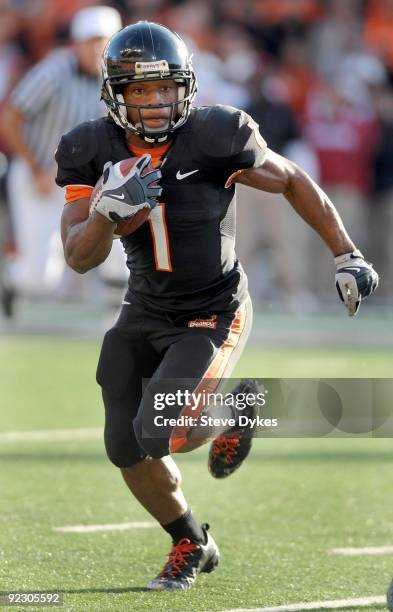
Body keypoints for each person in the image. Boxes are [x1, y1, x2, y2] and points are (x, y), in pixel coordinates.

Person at [55, 22, 379, 591]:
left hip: (213, 306)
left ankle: (238, 412)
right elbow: (78, 258)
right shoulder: (90, 148)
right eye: (139, 89)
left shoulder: (217, 134)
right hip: (145, 306)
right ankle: (190, 541)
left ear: (186, 88)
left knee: (163, 427)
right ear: (115, 92)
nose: (154, 102)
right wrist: (105, 211)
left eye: (165, 88)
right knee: (124, 446)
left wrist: (346, 254)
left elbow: (292, 179)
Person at [0, 5, 122, 298]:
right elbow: (10, 120)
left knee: (120, 255)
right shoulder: (54, 72)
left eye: (104, 41)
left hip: (82, 179)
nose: (97, 49)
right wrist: (35, 169)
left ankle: (121, 320)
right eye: (91, 41)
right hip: (38, 175)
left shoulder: (115, 78)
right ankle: (9, 283)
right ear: (76, 42)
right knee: (40, 279)